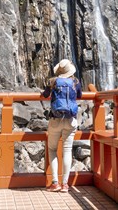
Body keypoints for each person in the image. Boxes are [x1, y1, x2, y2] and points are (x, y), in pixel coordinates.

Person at [41, 58, 82, 193]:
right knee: (67, 150)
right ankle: (65, 184)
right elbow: (79, 96)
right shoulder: (75, 82)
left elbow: (45, 94)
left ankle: (55, 183)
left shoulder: (53, 81)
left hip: (55, 120)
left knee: (52, 149)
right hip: (70, 120)